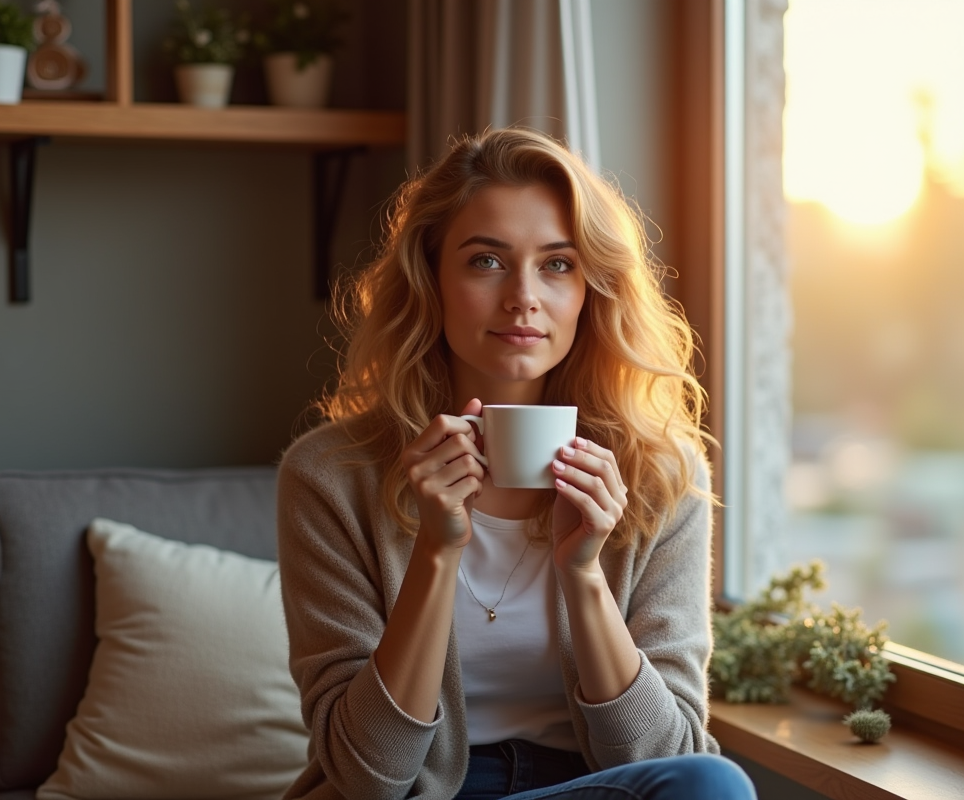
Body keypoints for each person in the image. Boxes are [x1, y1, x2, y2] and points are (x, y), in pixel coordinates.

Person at [277, 127, 756, 800]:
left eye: (558, 264)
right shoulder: (330, 475)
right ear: (432, 278)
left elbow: (665, 752)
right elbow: (366, 777)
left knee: (711, 784)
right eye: (486, 261)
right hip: (419, 795)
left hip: (592, 788)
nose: (524, 297)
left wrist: (583, 574)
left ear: (592, 288)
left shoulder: (660, 475)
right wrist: (437, 554)